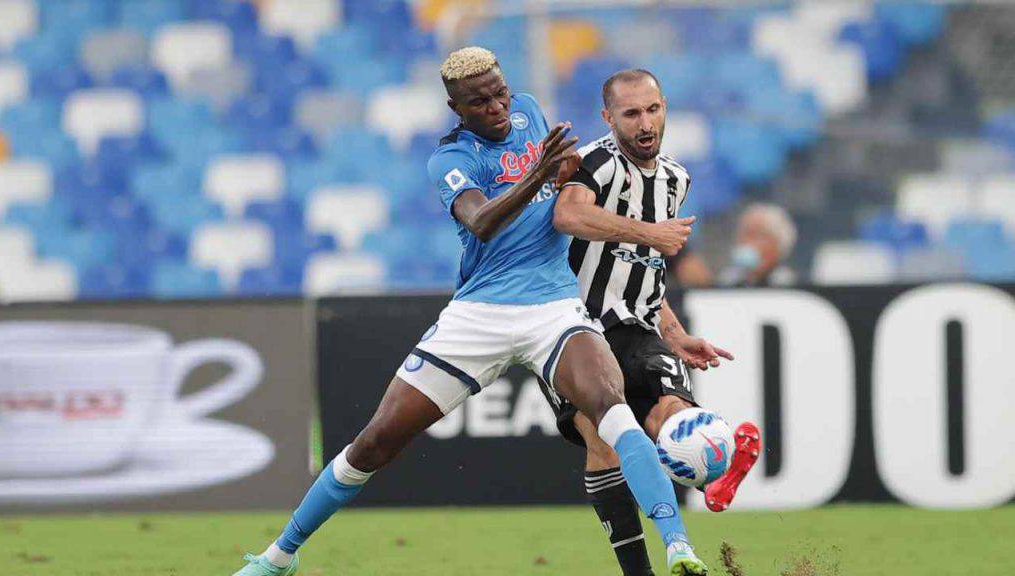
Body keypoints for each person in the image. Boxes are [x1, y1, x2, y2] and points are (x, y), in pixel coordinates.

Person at [233, 47, 705, 576]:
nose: (498, 107)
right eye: (480, 102)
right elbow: (481, 221)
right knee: (375, 443)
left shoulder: (529, 110)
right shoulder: (451, 159)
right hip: (479, 313)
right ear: (457, 108)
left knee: (612, 409)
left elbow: (563, 184)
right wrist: (539, 174)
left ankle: (679, 547)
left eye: (500, 92)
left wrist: (563, 171)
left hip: (553, 305)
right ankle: (279, 557)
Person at [551, 69, 762, 576]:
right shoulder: (596, 164)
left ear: (665, 107)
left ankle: (715, 462)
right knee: (602, 442)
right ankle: (641, 566)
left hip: (639, 327)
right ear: (609, 118)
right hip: (576, 329)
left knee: (672, 412)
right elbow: (568, 216)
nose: (645, 124)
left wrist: (674, 333)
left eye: (653, 110)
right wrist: (649, 232)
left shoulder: (675, 178)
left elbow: (646, 265)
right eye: (631, 114)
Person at [718, 203, 798, 287]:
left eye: (759, 236)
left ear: (780, 244)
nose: (749, 243)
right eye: (745, 234)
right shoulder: (728, 281)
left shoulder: (788, 285)